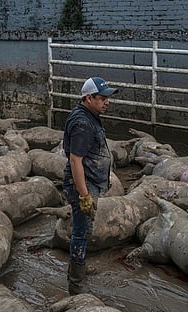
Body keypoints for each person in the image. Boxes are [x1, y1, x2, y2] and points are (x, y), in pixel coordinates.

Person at [62, 77, 117, 295]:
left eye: (108, 98)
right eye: (102, 98)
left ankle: (77, 270)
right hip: (83, 183)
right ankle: (76, 282)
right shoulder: (83, 123)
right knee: (81, 231)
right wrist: (84, 195)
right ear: (88, 97)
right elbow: (75, 160)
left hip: (90, 181)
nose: (107, 102)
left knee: (85, 229)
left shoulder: (89, 116)